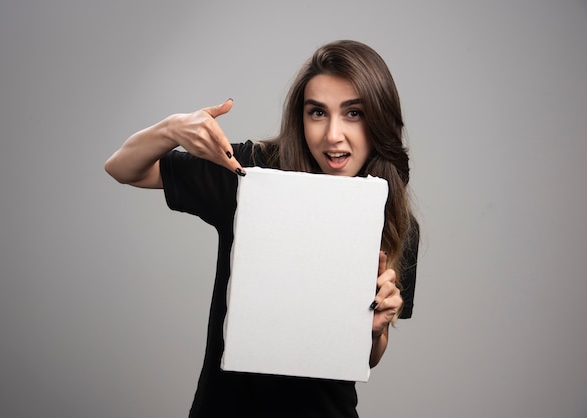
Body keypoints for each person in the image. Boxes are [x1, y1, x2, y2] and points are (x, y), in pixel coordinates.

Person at [105, 39, 419, 418]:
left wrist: (376, 329)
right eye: (317, 113)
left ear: (380, 119)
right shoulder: (252, 174)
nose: (333, 135)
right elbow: (123, 168)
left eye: (353, 113)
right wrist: (172, 129)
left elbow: (367, 358)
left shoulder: (393, 217)